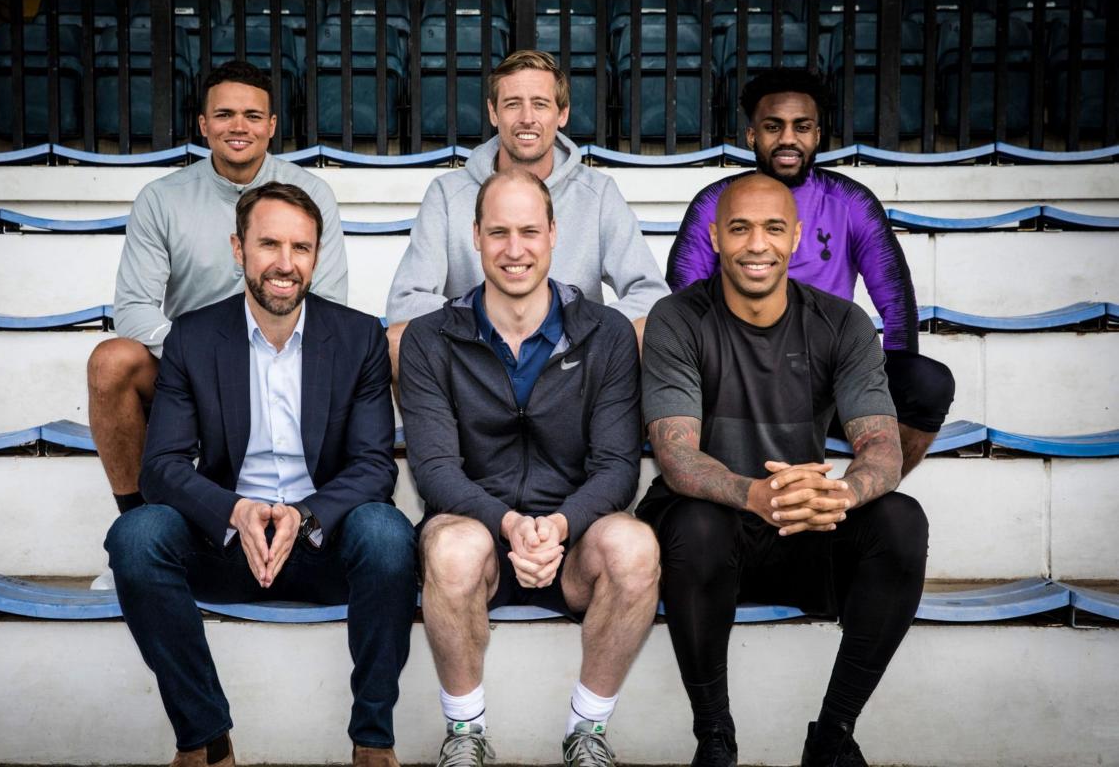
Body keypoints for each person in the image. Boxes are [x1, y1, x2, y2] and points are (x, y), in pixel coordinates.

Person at [105, 182, 415, 767]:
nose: (284, 263)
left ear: (317, 257)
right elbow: (162, 467)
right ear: (238, 248)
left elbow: (374, 466)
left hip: (323, 543)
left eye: (300, 247)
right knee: (136, 537)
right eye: (268, 243)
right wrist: (235, 510)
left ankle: (374, 741)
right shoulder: (194, 337)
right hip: (226, 542)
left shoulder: (357, 338)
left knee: (387, 533)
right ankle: (205, 738)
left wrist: (306, 514)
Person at [639, 174, 928, 767]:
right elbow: (676, 454)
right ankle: (714, 737)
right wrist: (753, 493)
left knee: (901, 521)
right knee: (694, 522)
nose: (757, 244)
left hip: (805, 527)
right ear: (716, 237)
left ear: (796, 237)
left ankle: (833, 735)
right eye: (739, 228)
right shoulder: (676, 318)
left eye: (774, 228)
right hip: (714, 531)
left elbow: (881, 447)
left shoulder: (842, 323)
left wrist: (839, 495)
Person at [399, 169, 660, 767]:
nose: (513, 250)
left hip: (575, 542)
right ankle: (465, 735)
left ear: (553, 234)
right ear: (475, 238)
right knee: (451, 549)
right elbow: (435, 471)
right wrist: (510, 523)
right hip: (480, 535)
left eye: (528, 232)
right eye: (498, 233)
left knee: (636, 546)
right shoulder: (429, 339)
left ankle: (587, 732)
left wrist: (560, 526)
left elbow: (618, 469)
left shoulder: (609, 332)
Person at [87, 61, 349, 589]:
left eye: (253, 115)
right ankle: (141, 531)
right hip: (190, 375)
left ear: (272, 125)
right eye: (224, 114)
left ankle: (320, 528)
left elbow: (330, 302)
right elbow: (134, 308)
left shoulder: (310, 193)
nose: (239, 126)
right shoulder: (162, 199)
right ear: (203, 124)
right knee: (110, 360)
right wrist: (201, 354)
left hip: (285, 361)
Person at [664, 68, 953, 476]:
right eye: (772, 126)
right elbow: (681, 303)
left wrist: (873, 389)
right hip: (737, 378)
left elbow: (896, 301)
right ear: (752, 136)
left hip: (828, 380)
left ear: (817, 135)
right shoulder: (717, 202)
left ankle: (858, 499)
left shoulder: (850, 201)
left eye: (801, 127)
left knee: (927, 382)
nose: (787, 139)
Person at [385, 49, 668, 379]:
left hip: (571, 360)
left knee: (649, 331)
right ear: (493, 112)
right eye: (512, 104)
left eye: (540, 103)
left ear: (562, 114)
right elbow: (405, 302)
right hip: (477, 359)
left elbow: (651, 296)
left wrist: (569, 326)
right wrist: (491, 322)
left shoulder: (598, 192)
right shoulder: (448, 193)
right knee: (396, 341)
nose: (527, 117)